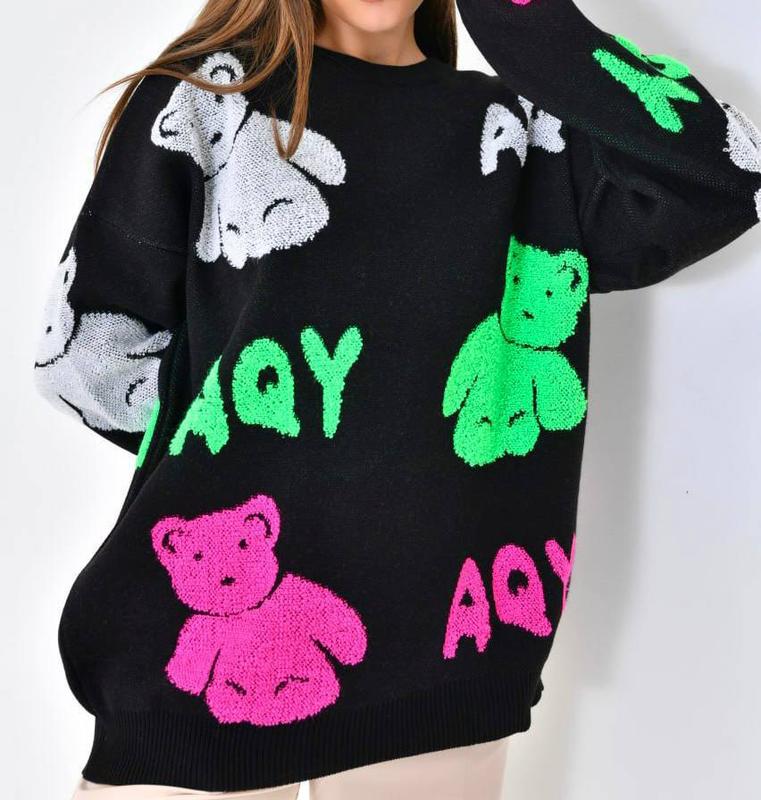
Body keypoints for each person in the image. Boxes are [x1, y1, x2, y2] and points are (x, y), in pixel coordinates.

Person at [32, 0, 760, 798]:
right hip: (202, 651)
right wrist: (266, 454)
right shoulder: (209, 101)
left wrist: (523, 16)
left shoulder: (514, 135)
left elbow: (722, 175)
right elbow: (89, 358)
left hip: (444, 657)